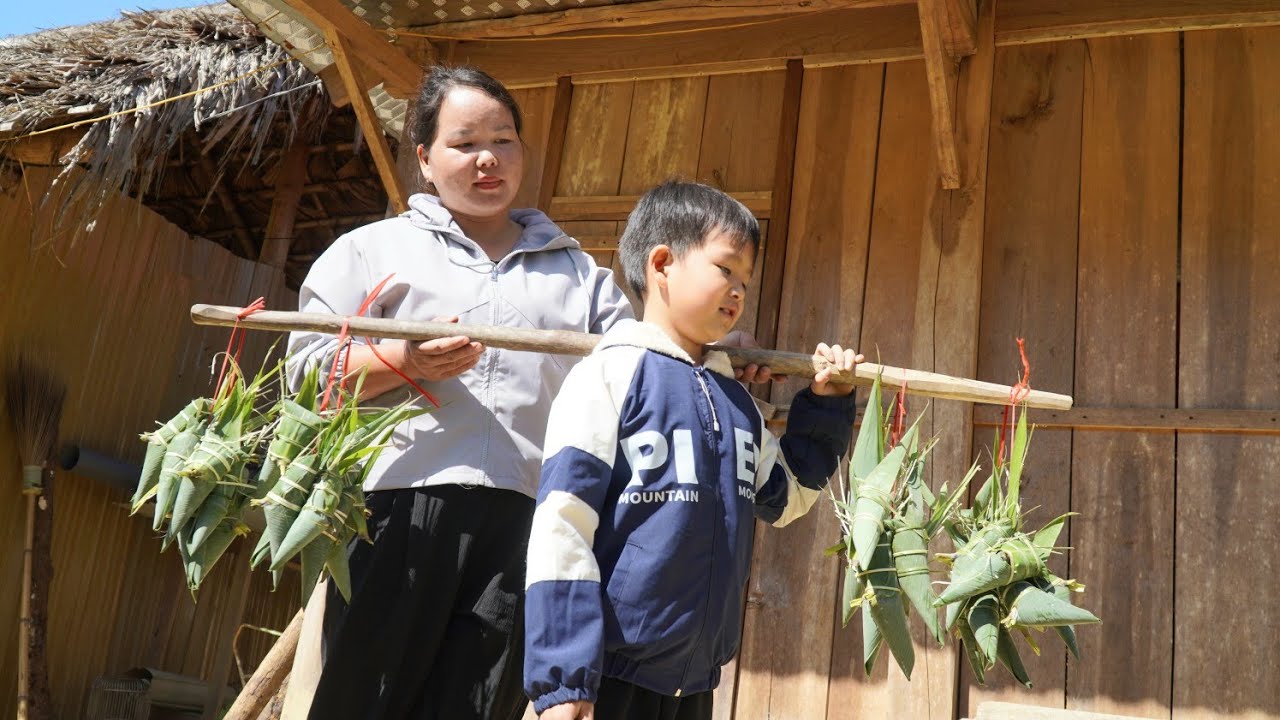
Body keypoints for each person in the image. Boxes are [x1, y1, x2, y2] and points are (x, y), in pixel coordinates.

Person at [285, 65, 636, 720]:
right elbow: (305, 376)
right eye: (464, 141)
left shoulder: (579, 275)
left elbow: (642, 371)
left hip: (522, 522)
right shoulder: (371, 251)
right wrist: (404, 358)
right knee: (364, 701)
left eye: (503, 140)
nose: (487, 159)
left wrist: (724, 360)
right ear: (424, 158)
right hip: (393, 512)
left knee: (478, 705)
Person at [523, 180, 862, 719]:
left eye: (746, 281)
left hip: (694, 687)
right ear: (662, 264)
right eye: (725, 269)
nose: (738, 291)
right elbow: (563, 525)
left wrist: (828, 403)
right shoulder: (607, 377)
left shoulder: (737, 405)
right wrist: (564, 682)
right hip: (604, 678)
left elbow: (789, 496)